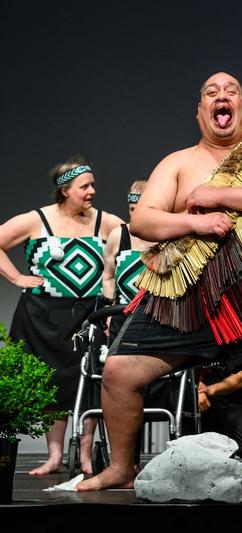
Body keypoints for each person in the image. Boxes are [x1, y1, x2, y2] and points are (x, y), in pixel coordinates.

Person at [76, 72, 242, 491]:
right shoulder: (177, 163)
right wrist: (191, 222)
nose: (222, 96)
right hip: (184, 301)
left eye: (232, 92)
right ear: (200, 112)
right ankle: (121, 467)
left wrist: (217, 196)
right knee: (120, 372)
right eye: (211, 93)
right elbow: (143, 219)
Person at [0, 156, 124, 476]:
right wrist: (17, 279)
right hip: (43, 316)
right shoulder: (36, 219)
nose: (92, 191)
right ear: (65, 190)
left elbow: (134, 244)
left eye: (92, 184)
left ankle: (85, 455)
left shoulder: (104, 222)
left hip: (89, 314)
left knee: (91, 381)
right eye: (85, 186)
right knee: (50, 384)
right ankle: (54, 455)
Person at [101, 179, 154, 339]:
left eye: (140, 210)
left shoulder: (168, 238)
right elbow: (108, 277)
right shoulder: (118, 236)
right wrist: (108, 315)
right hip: (122, 318)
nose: (135, 215)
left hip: (158, 321)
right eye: (132, 209)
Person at [196, 365, 242, 464]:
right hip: (203, 405)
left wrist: (208, 390)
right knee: (202, 455)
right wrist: (197, 390)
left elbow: (239, 378)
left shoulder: (240, 349)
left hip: (234, 403)